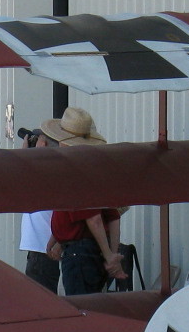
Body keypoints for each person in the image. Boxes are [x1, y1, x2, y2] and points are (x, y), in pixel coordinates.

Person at [41, 108, 129, 295]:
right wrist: (111, 257)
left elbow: (93, 218)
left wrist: (109, 256)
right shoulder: (94, 172)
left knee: (81, 309)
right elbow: (113, 216)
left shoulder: (73, 174)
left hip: (79, 254)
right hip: (87, 251)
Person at [16, 127, 58, 292]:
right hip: (43, 248)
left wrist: (24, 153)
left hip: (42, 249)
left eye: (39, 139)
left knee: (40, 299)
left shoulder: (44, 174)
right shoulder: (50, 173)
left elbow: (19, 174)